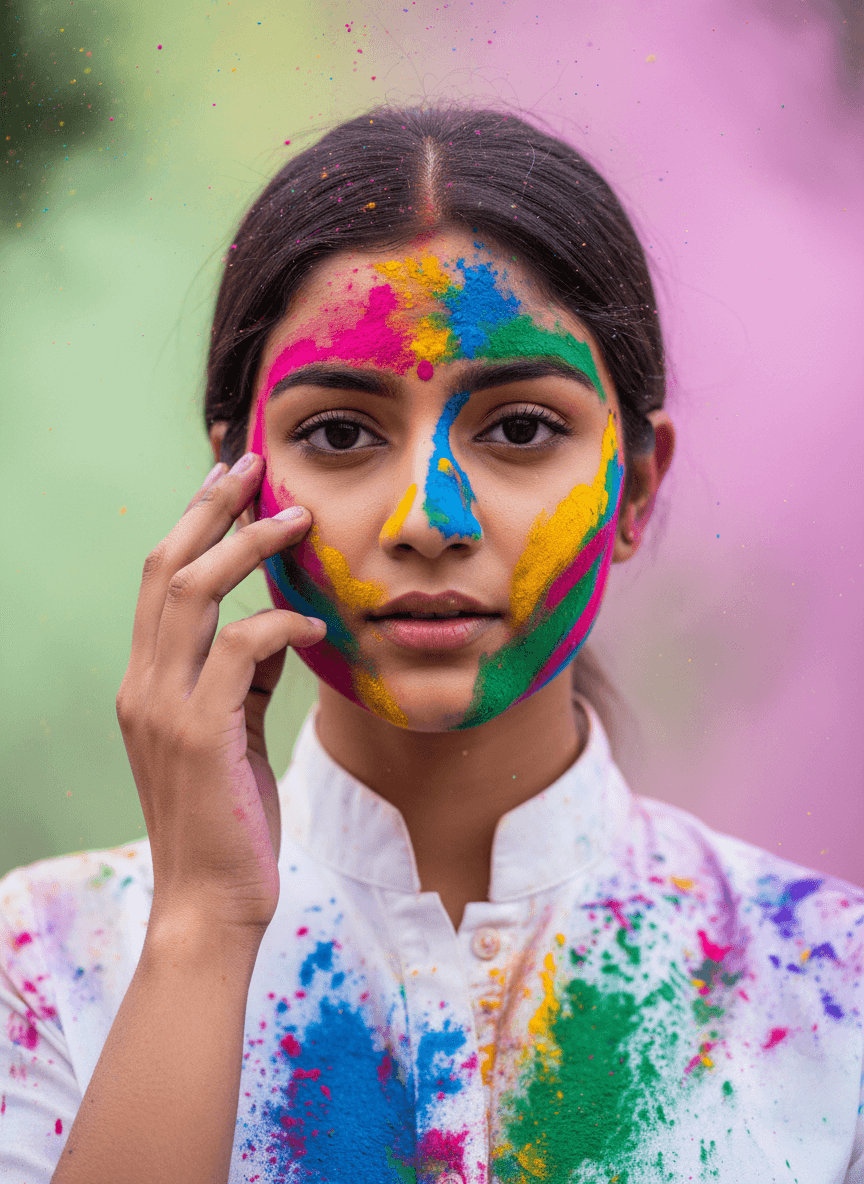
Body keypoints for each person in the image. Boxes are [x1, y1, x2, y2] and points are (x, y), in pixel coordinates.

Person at [1, 105, 861, 1184]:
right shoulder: (43, 960)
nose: (429, 516)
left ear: (636, 487)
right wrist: (202, 929)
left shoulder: (830, 981)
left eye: (519, 428)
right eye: (341, 433)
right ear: (232, 483)